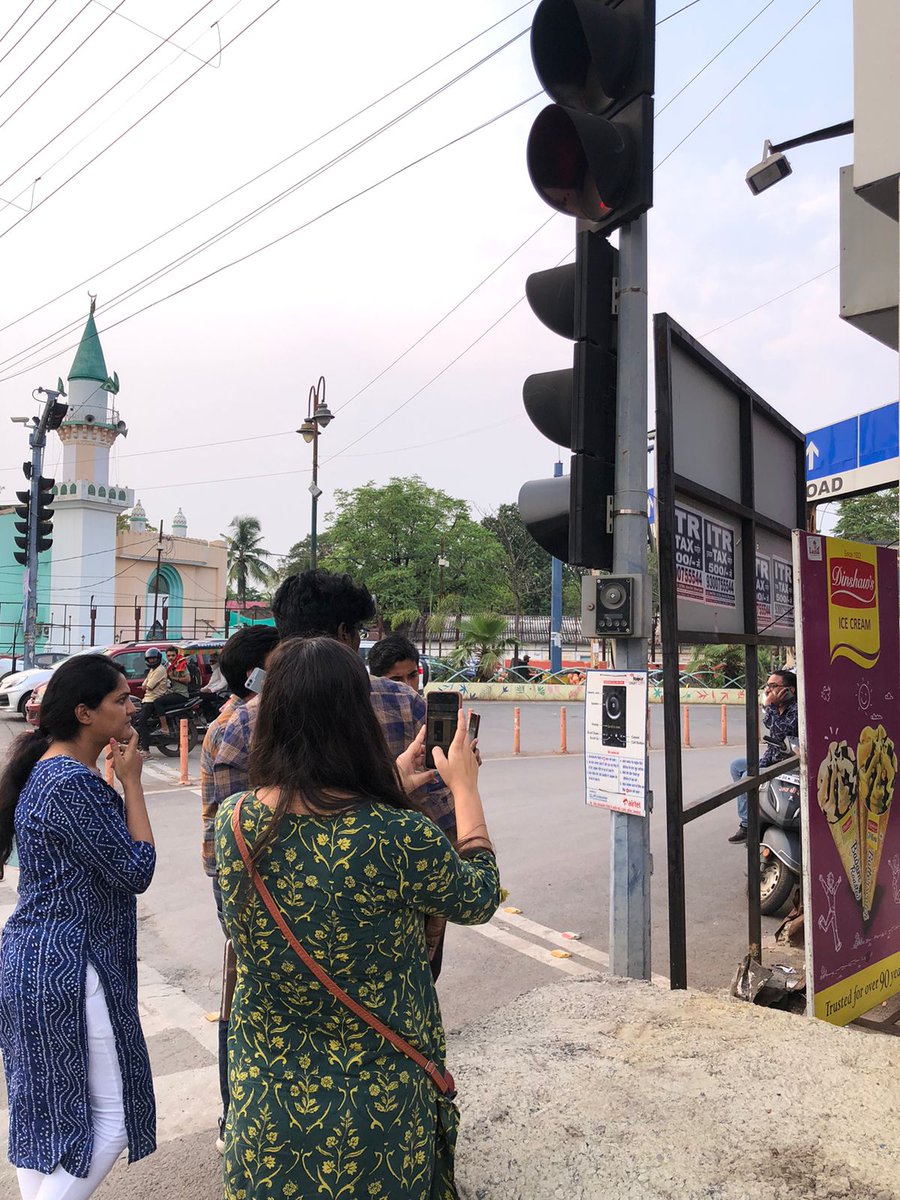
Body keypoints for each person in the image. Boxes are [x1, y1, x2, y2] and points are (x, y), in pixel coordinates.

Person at [215, 636, 500, 1200]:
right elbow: (479, 896)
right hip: (380, 1112)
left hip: (268, 1106)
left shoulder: (236, 823)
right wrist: (464, 789)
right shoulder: (399, 835)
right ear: (357, 718)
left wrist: (389, 786)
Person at [0, 655, 157, 1199]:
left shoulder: (51, 770)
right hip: (71, 968)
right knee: (109, 1121)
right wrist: (132, 782)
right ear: (85, 713)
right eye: (120, 700)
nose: (131, 706)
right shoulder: (70, 783)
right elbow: (137, 869)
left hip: (35, 962)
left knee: (42, 1115)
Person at [198, 625, 279, 1154]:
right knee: (243, 995)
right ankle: (237, 1115)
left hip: (258, 884)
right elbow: (236, 840)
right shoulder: (239, 727)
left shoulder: (256, 719)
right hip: (249, 888)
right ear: (257, 672)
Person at [728, 667, 799, 843]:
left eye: (774, 686)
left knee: (747, 776)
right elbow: (769, 722)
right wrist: (771, 706)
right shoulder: (778, 707)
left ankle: (747, 826)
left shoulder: (797, 710)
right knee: (737, 765)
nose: (768, 690)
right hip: (771, 757)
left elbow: (780, 731)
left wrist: (769, 705)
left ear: (790, 690)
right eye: (767, 685)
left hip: (786, 761)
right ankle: (749, 814)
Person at [132, 647, 168, 753]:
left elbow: (149, 686)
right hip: (147, 699)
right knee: (135, 718)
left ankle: (146, 749)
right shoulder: (152, 670)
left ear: (159, 659)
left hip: (153, 699)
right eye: (150, 659)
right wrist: (146, 686)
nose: (152, 661)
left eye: (154, 659)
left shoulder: (160, 670)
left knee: (142, 722)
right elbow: (144, 685)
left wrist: (147, 686)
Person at [153, 646, 191, 734]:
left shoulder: (181, 664)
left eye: (173, 655)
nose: (171, 658)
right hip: (174, 691)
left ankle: (164, 727)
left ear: (176, 655)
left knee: (157, 702)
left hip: (181, 694)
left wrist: (173, 677)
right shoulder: (171, 666)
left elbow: (188, 679)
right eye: (168, 656)